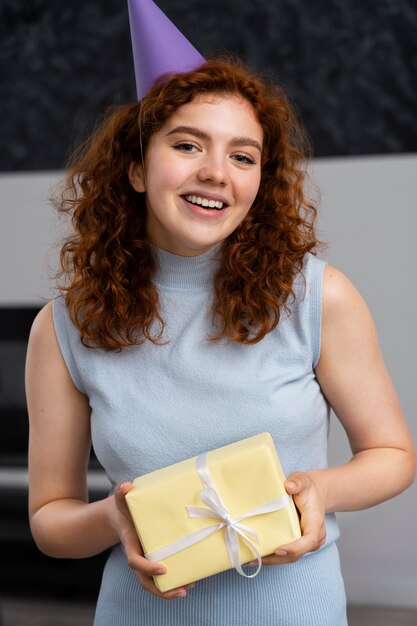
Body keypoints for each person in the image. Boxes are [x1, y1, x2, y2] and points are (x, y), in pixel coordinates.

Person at [25, 4, 415, 626]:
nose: (215, 172)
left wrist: (320, 490)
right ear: (134, 167)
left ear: (261, 180)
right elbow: (50, 519)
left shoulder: (317, 298)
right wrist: (112, 518)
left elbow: (393, 453)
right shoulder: (64, 327)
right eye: (186, 145)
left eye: (243, 156)